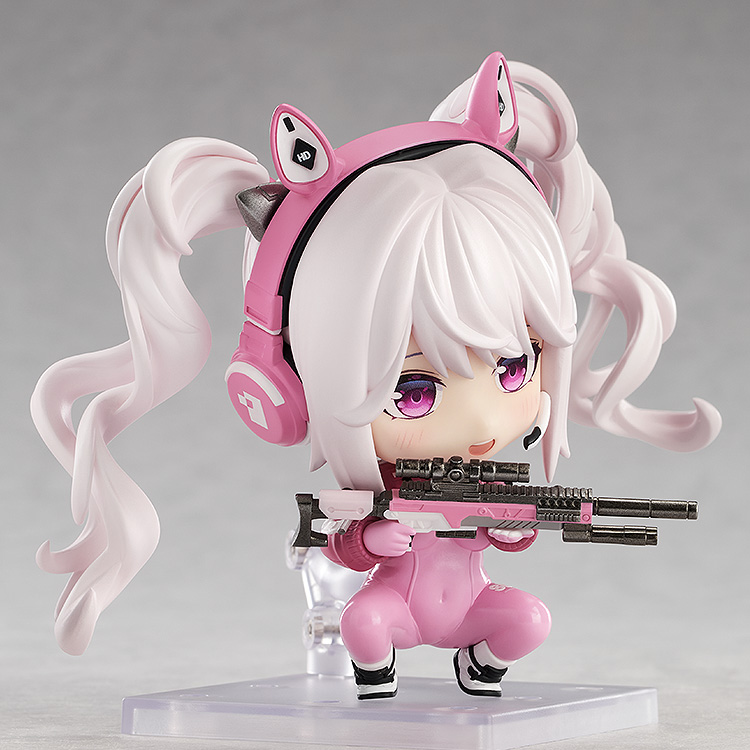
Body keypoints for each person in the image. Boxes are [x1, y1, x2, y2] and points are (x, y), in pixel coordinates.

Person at [31, 54, 720, 699]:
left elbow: (509, 531)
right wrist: (368, 540)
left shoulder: (484, 483)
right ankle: (376, 679)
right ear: (283, 388)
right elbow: (341, 541)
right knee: (362, 622)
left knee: (530, 619)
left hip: (467, 606)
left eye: (515, 368)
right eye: (413, 391)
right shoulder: (380, 491)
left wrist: (512, 529)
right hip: (393, 606)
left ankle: (478, 665)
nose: (484, 420)